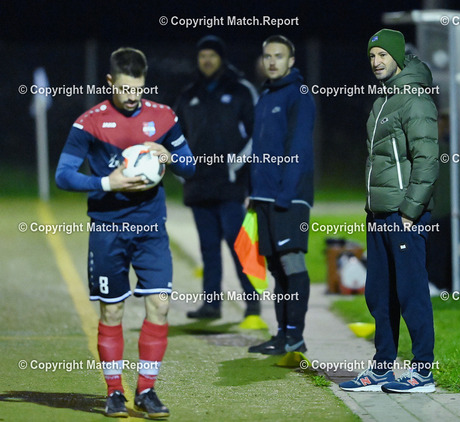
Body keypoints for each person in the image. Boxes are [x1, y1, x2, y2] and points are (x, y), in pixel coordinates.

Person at [55, 47, 195, 418]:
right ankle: (114, 392)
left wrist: (169, 157)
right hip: (108, 229)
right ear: (110, 82)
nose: (132, 96)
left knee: (160, 304)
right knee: (113, 311)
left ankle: (146, 390)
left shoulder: (163, 117)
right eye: (125, 89)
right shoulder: (89, 123)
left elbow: (190, 165)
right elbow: (63, 175)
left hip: (151, 228)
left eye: (138, 89)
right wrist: (107, 182)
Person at [339, 28, 439, 393]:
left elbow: (428, 160)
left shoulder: (414, 99)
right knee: (379, 295)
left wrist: (410, 211)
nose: (376, 61)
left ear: (397, 57)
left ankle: (423, 371)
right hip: (379, 214)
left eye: (382, 55)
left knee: (411, 293)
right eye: (372, 56)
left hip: (403, 215)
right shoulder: (384, 98)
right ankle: (382, 367)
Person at [174, 35, 260, 320]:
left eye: (212, 55)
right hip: (198, 184)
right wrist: (183, 171)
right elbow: (175, 138)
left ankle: (252, 302)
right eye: (202, 56)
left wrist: (235, 166)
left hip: (229, 184)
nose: (207, 60)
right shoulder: (188, 94)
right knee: (208, 247)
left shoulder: (241, 89)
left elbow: (257, 134)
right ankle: (211, 305)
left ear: (221, 58)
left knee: (239, 244)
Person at [246, 35, 315, 355]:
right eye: (267, 56)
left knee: (292, 263)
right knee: (275, 267)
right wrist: (254, 193)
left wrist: (285, 195)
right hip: (264, 197)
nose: (272, 61)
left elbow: (298, 148)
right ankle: (282, 334)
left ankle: (295, 336)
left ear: (291, 61)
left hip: (288, 197)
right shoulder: (265, 96)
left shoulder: (298, 94)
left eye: (279, 56)